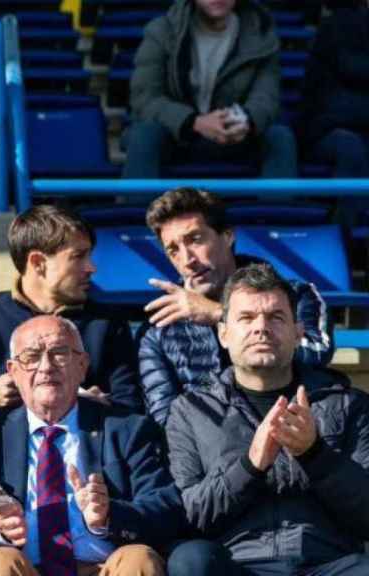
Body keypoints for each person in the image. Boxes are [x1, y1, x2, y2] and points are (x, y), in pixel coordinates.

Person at [165, 263, 369, 575]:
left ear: (298, 333)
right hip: (236, 564)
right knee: (189, 559)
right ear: (223, 334)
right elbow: (193, 515)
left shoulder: (346, 403)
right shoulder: (190, 411)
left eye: (276, 317)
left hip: (330, 563)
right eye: (246, 318)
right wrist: (251, 466)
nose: (261, 328)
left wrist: (315, 454)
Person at [0, 316, 182, 576]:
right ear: (12, 371)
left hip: (104, 567)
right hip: (25, 569)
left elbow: (166, 507)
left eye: (59, 353)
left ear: (82, 365)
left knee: (138, 558)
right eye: (32, 357)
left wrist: (109, 515)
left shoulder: (128, 429)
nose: (46, 367)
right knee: (0, 561)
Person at [138, 187, 333, 427]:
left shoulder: (297, 294)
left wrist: (219, 314)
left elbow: (318, 352)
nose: (187, 259)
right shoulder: (159, 327)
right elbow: (164, 420)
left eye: (195, 239)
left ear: (228, 236)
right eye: (173, 250)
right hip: (209, 455)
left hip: (294, 431)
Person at [0, 204, 143, 431]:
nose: (91, 267)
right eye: (78, 256)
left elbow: (131, 409)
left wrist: (93, 407)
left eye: (89, 255)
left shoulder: (108, 324)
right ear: (38, 263)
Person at [124, 0, 297, 178]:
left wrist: (246, 120)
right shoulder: (162, 31)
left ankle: (276, 206)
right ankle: (138, 206)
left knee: (279, 137)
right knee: (145, 135)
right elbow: (145, 98)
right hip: (177, 136)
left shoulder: (262, 33)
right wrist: (194, 122)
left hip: (235, 134)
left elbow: (266, 97)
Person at [298, 0, 369, 177]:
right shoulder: (339, 26)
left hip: (354, 125)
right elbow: (351, 67)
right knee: (351, 147)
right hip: (329, 129)